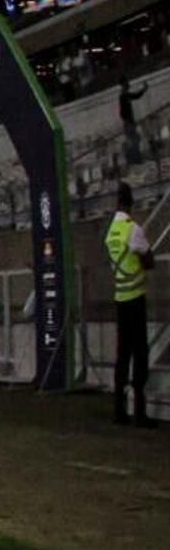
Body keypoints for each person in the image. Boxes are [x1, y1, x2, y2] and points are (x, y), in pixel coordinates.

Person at [110, 182, 151, 426]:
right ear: (131, 203)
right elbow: (148, 258)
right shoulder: (132, 229)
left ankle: (119, 410)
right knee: (140, 353)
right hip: (136, 297)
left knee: (122, 354)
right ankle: (140, 411)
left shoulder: (111, 231)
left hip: (119, 297)